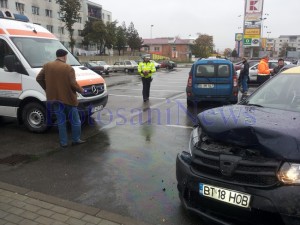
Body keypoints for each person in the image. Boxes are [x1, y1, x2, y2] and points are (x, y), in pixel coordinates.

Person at [36, 49, 86, 148]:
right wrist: (81, 90)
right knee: (76, 121)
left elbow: (38, 78)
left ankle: (64, 143)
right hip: (68, 99)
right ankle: (75, 140)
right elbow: (73, 84)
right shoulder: (68, 68)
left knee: (61, 121)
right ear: (64, 56)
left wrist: (47, 88)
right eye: (66, 56)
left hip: (54, 99)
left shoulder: (47, 66)